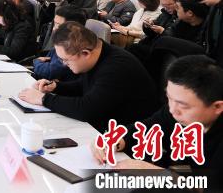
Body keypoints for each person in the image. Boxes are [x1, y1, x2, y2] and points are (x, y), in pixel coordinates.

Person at [91, 55, 223, 190]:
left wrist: (155, 173)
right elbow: (148, 127)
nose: (172, 110)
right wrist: (117, 140)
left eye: (183, 105)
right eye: (169, 98)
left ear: (217, 107)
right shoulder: (176, 112)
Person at [18, 22, 158, 132]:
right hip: (108, 125)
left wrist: (43, 99)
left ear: (85, 53)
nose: (64, 64)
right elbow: (84, 85)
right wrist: (55, 87)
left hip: (132, 138)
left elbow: (86, 109)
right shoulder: (100, 53)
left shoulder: (116, 67)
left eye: (66, 60)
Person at [33, 5, 86, 81]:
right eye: (54, 24)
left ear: (73, 28)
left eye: (59, 25)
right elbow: (47, 61)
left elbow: (48, 72)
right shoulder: (62, 41)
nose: (54, 28)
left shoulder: (72, 47)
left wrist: (37, 62)